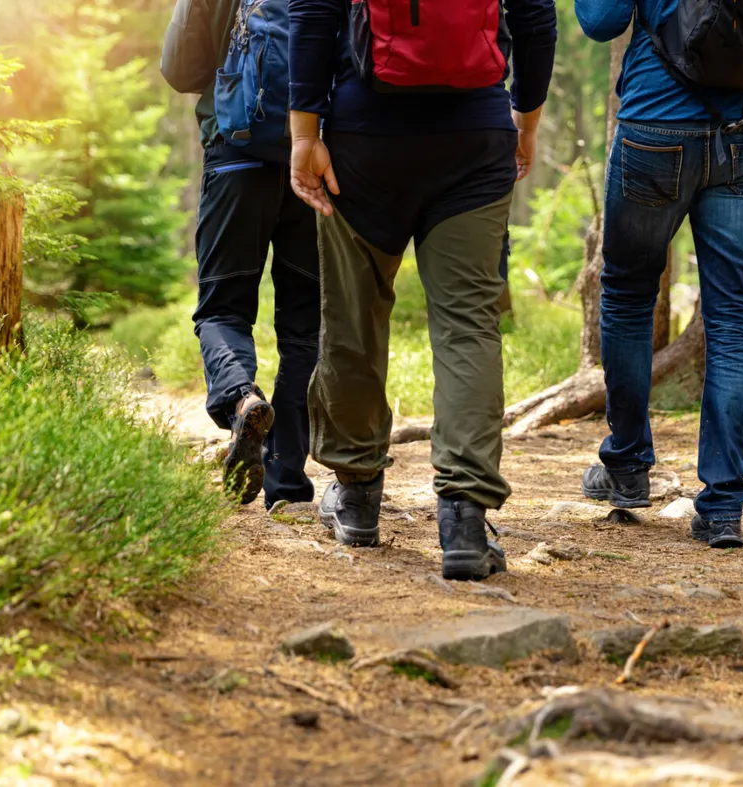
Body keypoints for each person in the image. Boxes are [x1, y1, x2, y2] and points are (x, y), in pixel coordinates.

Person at [287, 0, 556, 580]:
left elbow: (311, 14)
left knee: (354, 318)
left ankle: (357, 497)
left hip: (363, 139)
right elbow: (537, 17)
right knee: (468, 326)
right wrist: (525, 120)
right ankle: (463, 515)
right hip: (475, 136)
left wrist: (303, 134)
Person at [575, 0, 743, 548]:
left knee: (626, 295)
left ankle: (626, 465)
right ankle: (723, 504)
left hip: (654, 130)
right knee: (736, 316)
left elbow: (600, 23)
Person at [162, 0, 319, 510]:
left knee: (222, 309)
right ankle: (288, 485)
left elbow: (180, 70)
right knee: (304, 328)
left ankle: (240, 397)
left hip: (236, 157)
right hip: (315, 161)